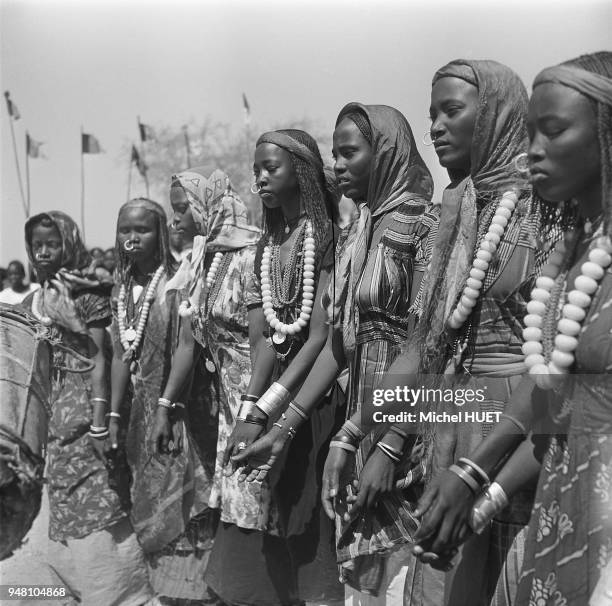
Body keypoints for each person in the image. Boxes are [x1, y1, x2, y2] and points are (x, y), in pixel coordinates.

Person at [235, 104, 438, 604]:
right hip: (359, 422)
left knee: (408, 577)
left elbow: (429, 349)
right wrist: (282, 432)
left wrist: (390, 443)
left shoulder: (424, 227)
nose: (339, 165)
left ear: (386, 153)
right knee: (364, 586)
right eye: (335, 154)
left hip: (409, 425)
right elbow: (339, 345)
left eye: (350, 153)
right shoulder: (356, 233)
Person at [214, 129, 338, 606]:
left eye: (272, 169)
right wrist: (250, 409)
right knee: (285, 525)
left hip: (315, 397)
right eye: (256, 171)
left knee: (312, 532)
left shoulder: (324, 237)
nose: (260, 179)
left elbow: (319, 338)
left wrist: (268, 408)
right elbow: (268, 338)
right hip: (276, 399)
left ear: (301, 172)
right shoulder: (269, 245)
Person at [22, 211, 154, 606]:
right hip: (56, 416)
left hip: (87, 410)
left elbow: (99, 358)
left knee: (99, 496)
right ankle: (80, 588)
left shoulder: (87, 293)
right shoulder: (36, 299)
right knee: (64, 499)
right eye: (36, 244)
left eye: (52, 243)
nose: (43, 251)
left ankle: (119, 592)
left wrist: (99, 421)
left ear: (68, 244)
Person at [156, 167, 263, 603]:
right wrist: (166, 404)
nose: (174, 221)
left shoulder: (253, 254)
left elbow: (263, 345)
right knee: (233, 511)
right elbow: (187, 345)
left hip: (251, 400)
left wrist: (255, 409)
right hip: (219, 408)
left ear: (206, 206)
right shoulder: (201, 261)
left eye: (182, 210)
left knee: (254, 506)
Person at [107, 198, 210, 603]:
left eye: (142, 230)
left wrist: (169, 408)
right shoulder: (120, 290)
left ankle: (191, 593)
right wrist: (114, 413)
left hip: (175, 412)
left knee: (181, 510)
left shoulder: (177, 282)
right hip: (135, 417)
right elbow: (119, 354)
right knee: (146, 504)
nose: (132, 238)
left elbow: (187, 351)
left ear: (161, 233)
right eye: (125, 230)